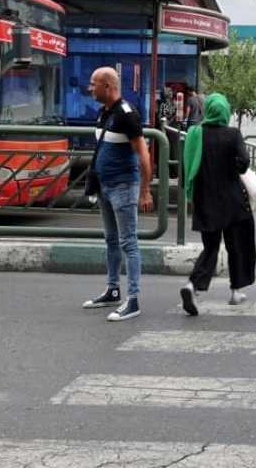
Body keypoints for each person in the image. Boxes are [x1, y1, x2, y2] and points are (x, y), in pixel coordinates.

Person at [82, 67, 155, 322]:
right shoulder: (104, 112)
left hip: (123, 186)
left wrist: (145, 191)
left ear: (108, 87)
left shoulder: (127, 114)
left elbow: (144, 155)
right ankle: (113, 290)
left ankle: (133, 300)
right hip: (104, 186)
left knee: (128, 243)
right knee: (111, 240)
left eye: (94, 84)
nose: (90, 88)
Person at [179, 93, 256, 315]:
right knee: (237, 246)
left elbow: (187, 167)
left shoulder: (195, 133)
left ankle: (192, 285)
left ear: (208, 111)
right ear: (225, 112)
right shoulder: (233, 135)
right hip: (233, 201)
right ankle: (235, 291)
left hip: (205, 200)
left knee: (210, 247)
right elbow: (244, 163)